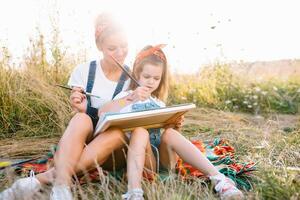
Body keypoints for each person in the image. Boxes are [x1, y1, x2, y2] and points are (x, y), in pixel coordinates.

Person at [0, 13, 151, 200]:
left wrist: (135, 98)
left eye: (124, 46)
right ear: (100, 47)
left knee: (117, 133)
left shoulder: (132, 77)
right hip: (85, 140)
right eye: (113, 48)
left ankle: (44, 178)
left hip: (113, 147)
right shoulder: (84, 71)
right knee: (81, 118)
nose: (121, 52)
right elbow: (79, 109)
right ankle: (62, 188)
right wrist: (79, 105)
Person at [101, 44, 244, 200]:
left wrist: (175, 125)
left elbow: (169, 137)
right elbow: (104, 112)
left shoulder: (159, 103)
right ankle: (134, 192)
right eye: (147, 77)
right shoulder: (127, 96)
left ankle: (220, 180)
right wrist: (129, 99)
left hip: (162, 158)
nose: (151, 82)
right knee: (140, 132)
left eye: (156, 78)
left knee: (170, 134)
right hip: (141, 158)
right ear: (137, 74)